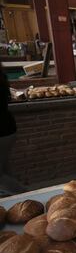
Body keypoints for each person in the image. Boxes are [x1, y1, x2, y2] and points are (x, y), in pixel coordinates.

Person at [0, 64, 25, 196]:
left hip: (2, 131)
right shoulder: (1, 76)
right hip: (7, 128)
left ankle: (23, 195)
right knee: (4, 169)